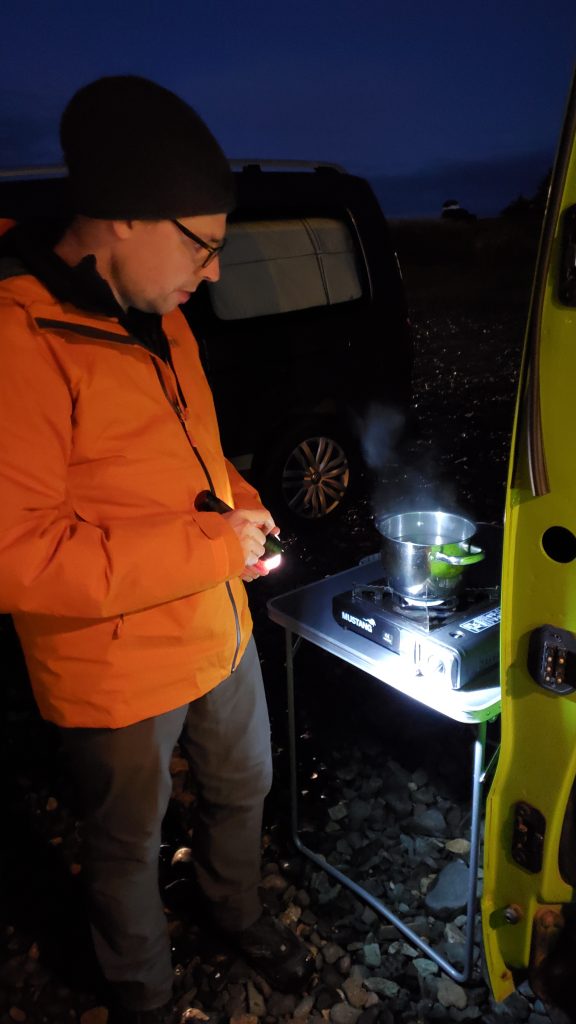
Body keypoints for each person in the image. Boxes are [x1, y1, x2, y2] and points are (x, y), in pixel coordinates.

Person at [0, 76, 312, 1024]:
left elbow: (201, 464)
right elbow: (20, 555)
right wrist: (210, 546)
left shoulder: (163, 317)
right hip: (111, 667)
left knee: (245, 783)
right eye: (204, 244)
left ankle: (236, 912)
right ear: (127, 219)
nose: (213, 272)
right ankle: (142, 996)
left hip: (213, 624)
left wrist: (245, 516)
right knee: (128, 841)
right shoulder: (19, 339)